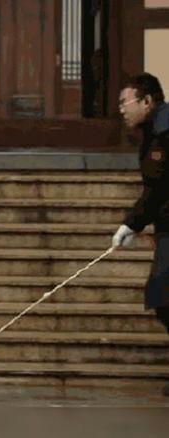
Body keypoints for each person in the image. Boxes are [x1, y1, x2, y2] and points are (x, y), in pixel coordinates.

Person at [112, 72, 169, 395]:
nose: (122, 109)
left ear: (147, 101)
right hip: (165, 226)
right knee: (163, 296)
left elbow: (158, 187)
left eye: (126, 102)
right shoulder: (152, 132)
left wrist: (132, 223)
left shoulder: (165, 133)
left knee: (163, 294)